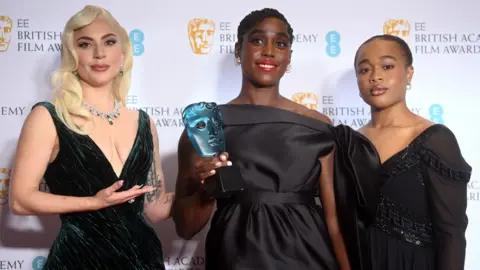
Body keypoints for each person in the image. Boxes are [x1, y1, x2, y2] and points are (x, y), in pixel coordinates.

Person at [172, 8, 381, 270]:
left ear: (289, 56)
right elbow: (186, 228)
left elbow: (334, 223)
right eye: (258, 40)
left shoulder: (317, 125)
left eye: (280, 44)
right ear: (239, 50)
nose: (269, 51)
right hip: (235, 257)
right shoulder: (206, 126)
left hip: (309, 256)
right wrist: (202, 184)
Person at [9, 5, 173, 269]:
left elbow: (155, 208)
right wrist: (93, 202)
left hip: (143, 259)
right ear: (72, 57)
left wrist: (201, 184)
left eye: (109, 42)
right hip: (79, 258)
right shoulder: (49, 117)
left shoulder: (145, 122)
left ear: (123, 54)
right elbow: (19, 200)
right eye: (85, 44)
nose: (99, 53)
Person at [354, 34, 472, 270]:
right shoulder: (350, 142)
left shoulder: (435, 139)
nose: (375, 76)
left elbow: (451, 233)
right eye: (365, 70)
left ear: (409, 74)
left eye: (387, 66)